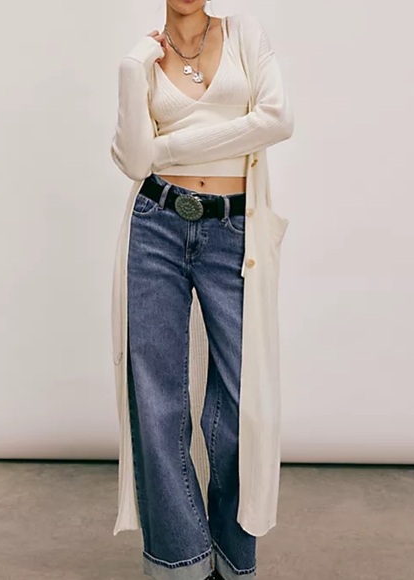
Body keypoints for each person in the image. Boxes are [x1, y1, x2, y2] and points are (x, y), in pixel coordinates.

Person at [109, 1, 294, 578]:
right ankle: (181, 561)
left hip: (233, 229)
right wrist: (131, 67)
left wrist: (166, 149)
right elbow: (132, 160)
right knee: (157, 400)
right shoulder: (144, 58)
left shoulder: (245, 35)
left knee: (242, 398)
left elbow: (277, 120)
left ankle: (233, 557)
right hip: (156, 224)